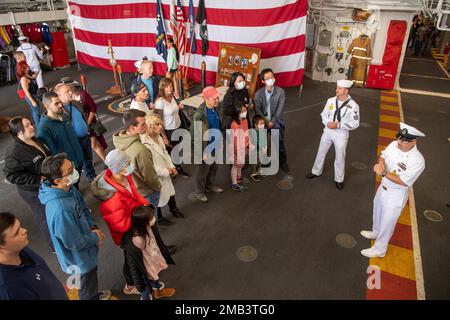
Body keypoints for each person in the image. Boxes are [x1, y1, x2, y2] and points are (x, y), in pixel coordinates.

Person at [38, 153, 111, 300]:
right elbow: (72, 242)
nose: (74, 172)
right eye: (70, 170)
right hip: (78, 260)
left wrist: (92, 227)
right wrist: (95, 237)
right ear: (58, 180)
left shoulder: (68, 188)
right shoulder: (60, 210)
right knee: (86, 287)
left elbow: (83, 208)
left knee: (89, 283)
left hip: (85, 250)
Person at [360, 123, 425, 258]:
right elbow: (383, 155)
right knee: (377, 211)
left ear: (414, 141)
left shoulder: (417, 160)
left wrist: (383, 173)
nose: (400, 142)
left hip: (396, 194)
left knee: (387, 222)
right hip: (383, 187)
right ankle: (376, 232)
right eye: (399, 138)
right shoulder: (394, 144)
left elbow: (404, 181)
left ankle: (380, 249)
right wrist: (380, 162)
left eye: (404, 141)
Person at [90, 149, 148, 296]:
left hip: (133, 222)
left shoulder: (124, 176)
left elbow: (133, 194)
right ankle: (130, 285)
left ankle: (133, 282)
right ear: (118, 168)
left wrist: (142, 203)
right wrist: (140, 217)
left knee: (132, 257)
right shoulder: (111, 198)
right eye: (127, 163)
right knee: (131, 259)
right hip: (126, 231)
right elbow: (120, 225)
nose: (131, 165)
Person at [113, 110, 175, 228]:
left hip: (135, 190)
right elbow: (150, 176)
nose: (147, 126)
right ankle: (160, 246)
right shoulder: (140, 149)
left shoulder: (120, 140)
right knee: (152, 224)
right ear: (132, 128)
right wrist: (158, 187)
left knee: (148, 225)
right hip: (147, 192)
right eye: (143, 125)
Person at [3, 116, 53, 251]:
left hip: (46, 183)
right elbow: (10, 175)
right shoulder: (14, 152)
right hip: (32, 191)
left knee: (53, 211)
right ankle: (54, 246)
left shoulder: (34, 139)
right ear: (19, 132)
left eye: (31, 123)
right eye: (27, 125)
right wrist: (36, 180)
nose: (32, 126)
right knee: (44, 217)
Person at [0, 212, 68, 300]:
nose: (24, 230)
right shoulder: (10, 290)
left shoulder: (21, 248)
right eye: (16, 233)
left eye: (20, 226)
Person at [306, 79, 360, 190]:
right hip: (328, 131)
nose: (337, 90)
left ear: (346, 91)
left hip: (341, 134)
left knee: (340, 156)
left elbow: (355, 123)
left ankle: (339, 179)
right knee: (321, 151)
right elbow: (324, 115)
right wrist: (328, 123)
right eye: (337, 88)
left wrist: (339, 125)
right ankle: (316, 171)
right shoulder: (330, 101)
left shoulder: (353, 106)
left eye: (340, 88)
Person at [121, 206, 176, 300]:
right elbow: (134, 264)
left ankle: (158, 291)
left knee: (155, 278)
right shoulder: (137, 240)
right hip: (145, 268)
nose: (153, 218)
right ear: (143, 222)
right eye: (151, 217)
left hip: (153, 261)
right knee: (145, 289)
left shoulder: (147, 227)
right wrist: (139, 284)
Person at [141, 114, 185, 219]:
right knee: (157, 197)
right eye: (157, 124)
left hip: (166, 170)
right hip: (156, 175)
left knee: (170, 192)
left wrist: (171, 166)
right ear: (149, 126)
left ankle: (174, 209)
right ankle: (159, 218)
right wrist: (166, 171)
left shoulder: (158, 136)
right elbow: (150, 165)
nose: (160, 126)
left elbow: (165, 153)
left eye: (160, 123)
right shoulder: (144, 143)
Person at [37, 92, 84, 189]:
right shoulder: (44, 128)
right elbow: (52, 154)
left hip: (78, 159)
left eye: (60, 102)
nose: (60, 105)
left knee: (76, 184)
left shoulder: (64, 115)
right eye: (56, 103)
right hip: (66, 167)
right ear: (47, 106)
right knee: (71, 188)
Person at [54, 83, 96, 183]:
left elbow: (83, 116)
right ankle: (74, 184)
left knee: (88, 159)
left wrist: (87, 130)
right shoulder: (59, 111)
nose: (70, 92)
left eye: (70, 90)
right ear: (59, 96)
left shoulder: (76, 103)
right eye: (66, 91)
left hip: (85, 137)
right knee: (76, 164)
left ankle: (92, 177)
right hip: (74, 142)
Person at [61, 77, 108, 163]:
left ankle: (106, 161)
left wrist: (87, 124)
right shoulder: (68, 99)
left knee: (95, 144)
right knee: (92, 144)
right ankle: (103, 161)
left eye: (67, 89)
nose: (67, 92)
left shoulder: (83, 94)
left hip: (89, 123)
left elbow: (93, 108)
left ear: (71, 86)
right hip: (81, 125)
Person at [190, 86, 224, 203]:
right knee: (202, 171)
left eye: (217, 97)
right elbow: (196, 136)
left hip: (216, 144)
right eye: (214, 98)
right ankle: (198, 192)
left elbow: (218, 125)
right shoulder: (199, 115)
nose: (217, 99)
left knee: (214, 167)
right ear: (206, 99)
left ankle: (210, 185)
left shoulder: (215, 108)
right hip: (206, 148)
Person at [254, 68, 289, 172]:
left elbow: (279, 110)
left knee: (279, 143)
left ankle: (283, 161)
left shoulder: (280, 92)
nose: (271, 79)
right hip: (262, 121)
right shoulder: (258, 94)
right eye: (267, 78)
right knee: (262, 143)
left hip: (275, 120)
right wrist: (265, 122)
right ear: (263, 81)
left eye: (272, 77)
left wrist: (272, 122)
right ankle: (264, 160)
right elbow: (257, 110)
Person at [154, 77, 189, 177]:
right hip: (168, 131)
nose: (170, 88)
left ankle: (176, 167)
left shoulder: (172, 96)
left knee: (177, 149)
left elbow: (174, 110)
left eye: (171, 86)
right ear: (162, 88)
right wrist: (164, 137)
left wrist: (179, 106)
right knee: (170, 152)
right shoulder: (160, 101)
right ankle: (173, 170)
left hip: (178, 126)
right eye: (167, 86)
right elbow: (158, 121)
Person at [229, 104, 251, 192]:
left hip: (244, 146)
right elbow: (234, 141)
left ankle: (239, 177)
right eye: (242, 112)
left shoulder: (245, 120)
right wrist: (235, 153)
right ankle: (234, 184)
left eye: (245, 111)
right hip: (237, 148)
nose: (245, 113)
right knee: (235, 166)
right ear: (237, 113)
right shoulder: (234, 124)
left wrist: (248, 145)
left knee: (241, 164)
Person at [16, 61, 40, 126]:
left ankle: (38, 123)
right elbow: (26, 91)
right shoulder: (24, 78)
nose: (28, 66)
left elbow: (34, 79)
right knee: (36, 111)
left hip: (34, 95)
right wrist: (32, 101)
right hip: (30, 96)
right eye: (26, 66)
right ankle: (39, 126)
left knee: (35, 111)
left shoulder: (28, 75)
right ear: (23, 68)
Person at [249, 114, 268, 182]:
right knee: (255, 163)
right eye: (261, 124)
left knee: (260, 161)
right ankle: (253, 173)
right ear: (256, 125)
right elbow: (255, 141)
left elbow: (264, 139)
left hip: (262, 150)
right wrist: (261, 147)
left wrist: (265, 147)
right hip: (255, 151)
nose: (263, 125)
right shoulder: (254, 132)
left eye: (263, 123)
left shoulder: (263, 131)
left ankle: (259, 170)